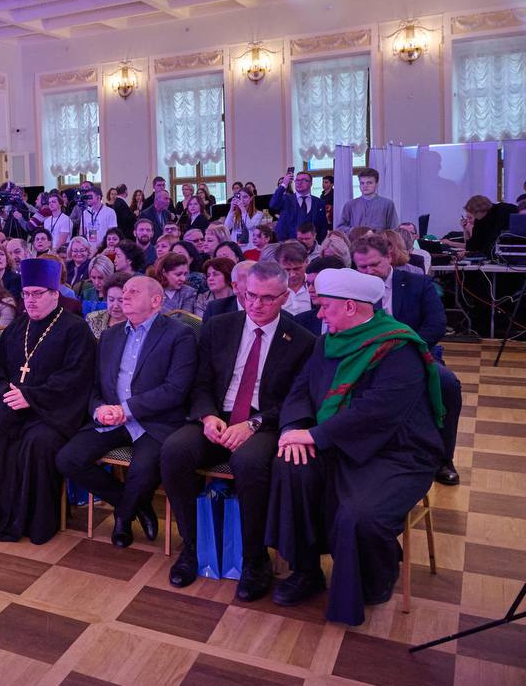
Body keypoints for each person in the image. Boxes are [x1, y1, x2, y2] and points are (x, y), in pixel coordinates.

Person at [266, 268, 446, 626]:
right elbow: (300, 389)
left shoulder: (398, 348)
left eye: (326, 306)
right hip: (336, 442)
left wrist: (315, 437)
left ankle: (375, 578)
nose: (319, 314)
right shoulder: (328, 342)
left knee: (358, 514)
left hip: (395, 453)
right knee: (290, 465)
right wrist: (294, 429)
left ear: (350, 306)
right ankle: (305, 570)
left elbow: (377, 412)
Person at [161, 261, 316, 599]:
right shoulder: (219, 326)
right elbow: (200, 382)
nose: (256, 304)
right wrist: (207, 416)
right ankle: (193, 545)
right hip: (218, 415)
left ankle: (254, 558)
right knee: (174, 450)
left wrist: (254, 424)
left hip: (263, 422)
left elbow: (296, 400)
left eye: (267, 298)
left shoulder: (302, 340)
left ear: (285, 297)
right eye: (250, 295)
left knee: (249, 463)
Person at [56, 276, 197, 547]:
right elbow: (95, 385)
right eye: (125, 291)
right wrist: (99, 409)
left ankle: (122, 518)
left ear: (156, 301)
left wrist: (126, 409)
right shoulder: (110, 336)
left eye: (133, 291)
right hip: (113, 418)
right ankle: (134, 504)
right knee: (68, 459)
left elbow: (175, 389)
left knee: (142, 471)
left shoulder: (179, 335)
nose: (125, 296)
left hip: (155, 421)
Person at [0, 258, 96, 545]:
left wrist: (31, 397)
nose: (31, 300)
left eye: (38, 294)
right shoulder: (17, 328)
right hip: (12, 406)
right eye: (26, 294)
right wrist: (8, 396)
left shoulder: (76, 330)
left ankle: (33, 523)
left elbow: (75, 378)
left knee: (38, 443)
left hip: (52, 412)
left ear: (55, 294)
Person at [351, 233, 460, 485]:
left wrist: (406, 351)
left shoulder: (417, 283)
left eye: (374, 264)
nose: (368, 272)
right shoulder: (354, 291)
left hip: (416, 354)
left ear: (389, 257)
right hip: (368, 359)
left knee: (448, 385)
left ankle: (444, 459)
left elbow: (436, 325)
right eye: (361, 267)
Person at [270, 170, 329, 242]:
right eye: (297, 180)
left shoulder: (319, 202)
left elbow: (323, 227)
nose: (299, 182)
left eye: (304, 180)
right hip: (288, 244)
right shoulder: (286, 199)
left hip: (311, 245)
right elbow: (273, 204)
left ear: (311, 183)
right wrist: (284, 184)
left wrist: (318, 243)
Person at [335, 167, 399, 232]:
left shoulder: (387, 204)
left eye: (369, 183)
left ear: (376, 184)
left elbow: (393, 229)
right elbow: (340, 228)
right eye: (362, 183)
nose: (365, 186)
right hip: (356, 238)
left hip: (379, 238)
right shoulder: (350, 205)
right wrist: (355, 230)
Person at [451, 194, 516, 255]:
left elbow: (491, 240)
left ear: (479, 210)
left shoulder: (504, 210)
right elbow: (473, 245)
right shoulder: (479, 220)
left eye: (473, 213)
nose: (474, 216)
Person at [275, 241, 311, 315]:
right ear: (278, 265)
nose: (292, 275)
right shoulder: (271, 288)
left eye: (297, 269)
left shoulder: (316, 285)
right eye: (287, 269)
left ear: (307, 262)